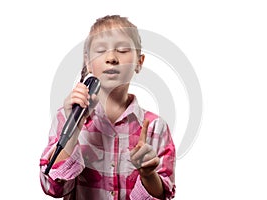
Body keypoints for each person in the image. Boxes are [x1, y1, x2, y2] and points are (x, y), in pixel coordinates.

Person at [40, 15, 176, 199]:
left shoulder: (155, 127)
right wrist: (73, 130)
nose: (111, 57)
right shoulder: (67, 116)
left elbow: (164, 194)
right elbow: (52, 188)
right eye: (101, 50)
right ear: (88, 62)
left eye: (122, 50)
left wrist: (148, 174)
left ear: (139, 62)